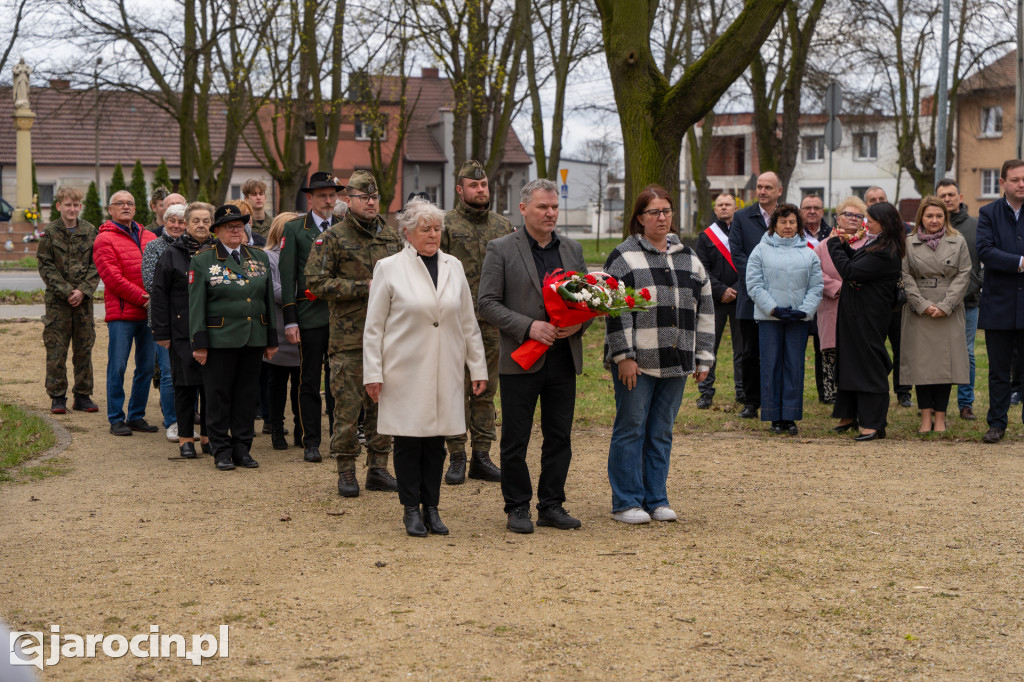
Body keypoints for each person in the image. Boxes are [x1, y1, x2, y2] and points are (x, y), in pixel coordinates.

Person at [364, 198, 488, 536]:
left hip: (445, 368)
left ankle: (431, 507)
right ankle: (410, 509)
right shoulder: (389, 267)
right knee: (408, 442)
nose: (433, 235)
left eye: (436, 229)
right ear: (407, 233)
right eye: (425, 229)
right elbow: (373, 328)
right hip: (403, 371)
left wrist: (477, 367)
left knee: (436, 444)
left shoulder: (453, 265)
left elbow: (468, 322)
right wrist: (373, 373)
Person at [478, 178, 590, 534]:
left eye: (554, 207)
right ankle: (517, 506)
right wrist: (528, 327)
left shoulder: (572, 249)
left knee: (559, 437)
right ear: (524, 208)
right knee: (516, 439)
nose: (550, 213)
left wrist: (578, 325)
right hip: (521, 358)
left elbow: (589, 301)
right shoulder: (501, 249)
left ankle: (552, 505)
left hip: (563, 358)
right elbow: (487, 303)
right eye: (543, 207)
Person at [603, 185, 714, 524]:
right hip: (637, 363)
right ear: (640, 218)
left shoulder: (688, 257)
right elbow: (615, 310)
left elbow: (705, 309)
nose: (661, 217)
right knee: (631, 429)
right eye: (654, 212)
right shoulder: (623, 257)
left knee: (661, 432)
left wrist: (703, 356)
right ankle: (626, 502)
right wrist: (624, 356)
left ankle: (656, 499)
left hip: (677, 361)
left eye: (666, 211)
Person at [305, 170, 403, 496]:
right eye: (364, 197)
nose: (371, 202)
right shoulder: (333, 238)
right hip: (349, 337)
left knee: (383, 406)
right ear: (349, 200)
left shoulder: (391, 238)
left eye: (374, 197)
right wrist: (364, 287)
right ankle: (346, 470)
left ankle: (378, 468)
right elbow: (316, 283)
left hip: (388, 337)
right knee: (347, 409)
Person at [188, 204, 278, 470]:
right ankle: (221, 450)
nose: (236, 231)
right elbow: (196, 305)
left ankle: (242, 448)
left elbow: (267, 301)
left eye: (239, 226)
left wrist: (271, 338)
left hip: (253, 338)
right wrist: (199, 343)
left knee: (246, 396)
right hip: (220, 339)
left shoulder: (258, 257)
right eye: (229, 227)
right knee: (218, 396)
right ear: (217, 231)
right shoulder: (203, 260)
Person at [438, 160, 510, 484]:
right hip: (454, 322)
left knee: (486, 390)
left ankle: (482, 455)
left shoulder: (503, 226)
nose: (480, 190)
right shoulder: (444, 226)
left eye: (483, 185)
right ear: (460, 189)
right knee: (456, 389)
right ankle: (457, 455)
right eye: (473, 185)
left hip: (492, 323)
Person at [828, 202, 907, 440]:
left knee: (869, 365)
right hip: (856, 313)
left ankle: (874, 423)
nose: (866, 224)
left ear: (883, 223)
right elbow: (858, 260)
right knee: (851, 361)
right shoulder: (878, 243)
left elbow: (851, 271)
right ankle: (849, 415)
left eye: (870, 221)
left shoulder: (886, 251)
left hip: (869, 316)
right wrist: (844, 245)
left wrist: (833, 245)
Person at [746, 203, 823, 435]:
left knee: (794, 366)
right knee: (771, 366)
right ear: (774, 225)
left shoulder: (809, 253)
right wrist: (773, 309)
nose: (787, 226)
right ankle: (773, 416)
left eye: (792, 222)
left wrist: (803, 311)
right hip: (770, 319)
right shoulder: (760, 251)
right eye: (783, 222)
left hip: (797, 320)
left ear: (798, 225)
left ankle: (790, 416)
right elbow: (754, 285)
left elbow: (816, 286)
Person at [280, 172, 341, 463]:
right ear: (310, 198)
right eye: (322, 196)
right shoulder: (294, 229)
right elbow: (287, 276)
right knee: (310, 380)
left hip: (341, 315)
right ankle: (311, 441)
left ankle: (340, 439)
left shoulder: (344, 225)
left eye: (332, 195)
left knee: (339, 381)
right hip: (309, 314)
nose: (328, 201)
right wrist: (290, 319)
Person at [900, 196, 971, 434]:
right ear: (921, 217)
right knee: (922, 366)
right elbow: (905, 276)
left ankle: (940, 418)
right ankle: (925, 417)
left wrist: (946, 305)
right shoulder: (909, 242)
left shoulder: (958, 240)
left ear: (945, 217)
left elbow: (964, 274)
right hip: (919, 310)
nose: (934, 220)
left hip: (949, 309)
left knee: (944, 366)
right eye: (929, 215)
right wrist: (923, 305)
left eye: (939, 216)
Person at [151, 202, 216, 459]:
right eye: (196, 220)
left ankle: (209, 438)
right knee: (185, 387)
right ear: (186, 224)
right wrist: (162, 332)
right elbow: (159, 294)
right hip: (181, 331)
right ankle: (186, 439)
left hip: (214, 330)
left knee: (211, 387)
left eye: (206, 221)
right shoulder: (172, 253)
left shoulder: (218, 251)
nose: (201, 225)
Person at [93, 189, 159, 436]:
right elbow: (112, 278)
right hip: (122, 314)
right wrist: (144, 299)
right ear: (110, 209)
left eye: (130, 203)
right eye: (119, 203)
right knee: (118, 366)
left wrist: (154, 301)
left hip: (149, 314)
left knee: (145, 367)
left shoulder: (149, 236)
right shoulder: (104, 239)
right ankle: (116, 418)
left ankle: (136, 416)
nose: (125, 206)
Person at [37, 185, 99, 414]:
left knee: (84, 348)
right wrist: (66, 291)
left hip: (83, 302)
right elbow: (45, 265)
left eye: (75, 205)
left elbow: (97, 264)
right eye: (67, 205)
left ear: (80, 207)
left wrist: (82, 290)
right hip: (57, 303)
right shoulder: (50, 232)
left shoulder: (90, 231)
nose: (72, 209)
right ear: (58, 206)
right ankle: (57, 396)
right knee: (56, 349)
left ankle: (82, 395)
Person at [977, 159, 1024, 443]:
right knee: (998, 370)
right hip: (999, 304)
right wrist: (1020, 262)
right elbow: (985, 250)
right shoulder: (988, 213)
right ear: (1002, 183)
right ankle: (997, 423)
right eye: (1016, 180)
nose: (1022, 184)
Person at [730, 171, 784, 420]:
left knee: (778, 350)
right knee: (750, 352)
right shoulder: (742, 217)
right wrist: (759, 282)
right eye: (759, 186)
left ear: (779, 191)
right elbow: (737, 254)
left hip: (782, 295)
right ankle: (751, 401)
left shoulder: (788, 217)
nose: (762, 191)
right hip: (750, 296)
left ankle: (776, 398)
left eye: (768, 187)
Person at [814, 197, 869, 405]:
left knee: (856, 354)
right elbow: (814, 273)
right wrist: (839, 288)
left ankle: (855, 396)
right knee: (831, 352)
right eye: (848, 214)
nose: (853, 219)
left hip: (859, 307)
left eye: (858, 216)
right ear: (838, 218)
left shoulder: (869, 244)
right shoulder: (823, 246)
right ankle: (832, 395)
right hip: (832, 305)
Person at [936, 178, 982, 421]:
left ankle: (965, 404)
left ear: (960, 197)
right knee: (936, 353)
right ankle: (935, 404)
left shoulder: (976, 226)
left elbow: (985, 262)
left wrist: (974, 285)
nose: (947, 199)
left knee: (967, 354)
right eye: (942, 195)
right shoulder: (931, 226)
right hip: (936, 303)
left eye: (951, 194)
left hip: (968, 301)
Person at [693, 192, 743, 409]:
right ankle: (706, 392)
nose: (724, 207)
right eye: (720, 205)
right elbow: (702, 269)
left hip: (741, 298)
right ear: (715, 209)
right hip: (714, 300)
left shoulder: (743, 234)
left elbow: (751, 265)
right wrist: (721, 290)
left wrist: (737, 289)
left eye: (727, 204)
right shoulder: (706, 237)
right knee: (709, 347)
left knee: (742, 349)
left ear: (735, 208)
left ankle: (742, 391)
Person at [864, 186, 913, 407]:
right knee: (874, 346)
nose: (877, 202)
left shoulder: (904, 229)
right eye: (872, 200)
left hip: (898, 296)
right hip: (873, 298)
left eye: (881, 198)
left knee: (902, 345)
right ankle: (875, 386)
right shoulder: (863, 230)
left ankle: (903, 392)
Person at [142, 203, 187, 442]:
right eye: (172, 221)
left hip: (189, 318)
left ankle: (189, 417)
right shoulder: (154, 246)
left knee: (191, 371)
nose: (177, 225)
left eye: (181, 221)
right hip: (164, 319)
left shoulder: (193, 246)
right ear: (165, 222)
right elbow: (151, 283)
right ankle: (172, 421)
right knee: (169, 374)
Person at [263, 212, 303, 450]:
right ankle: (276, 428)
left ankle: (301, 429)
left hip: (303, 329)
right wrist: (304, 294)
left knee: (301, 384)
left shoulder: (305, 255)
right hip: (278, 328)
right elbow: (274, 289)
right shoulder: (268, 256)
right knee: (276, 384)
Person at [801, 193, 829, 403]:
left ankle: (826, 393)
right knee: (796, 349)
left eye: (816, 208)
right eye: (807, 208)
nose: (812, 211)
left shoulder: (832, 234)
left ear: (822, 211)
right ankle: (795, 392)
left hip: (825, 300)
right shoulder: (792, 233)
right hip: (799, 300)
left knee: (824, 349)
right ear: (800, 211)